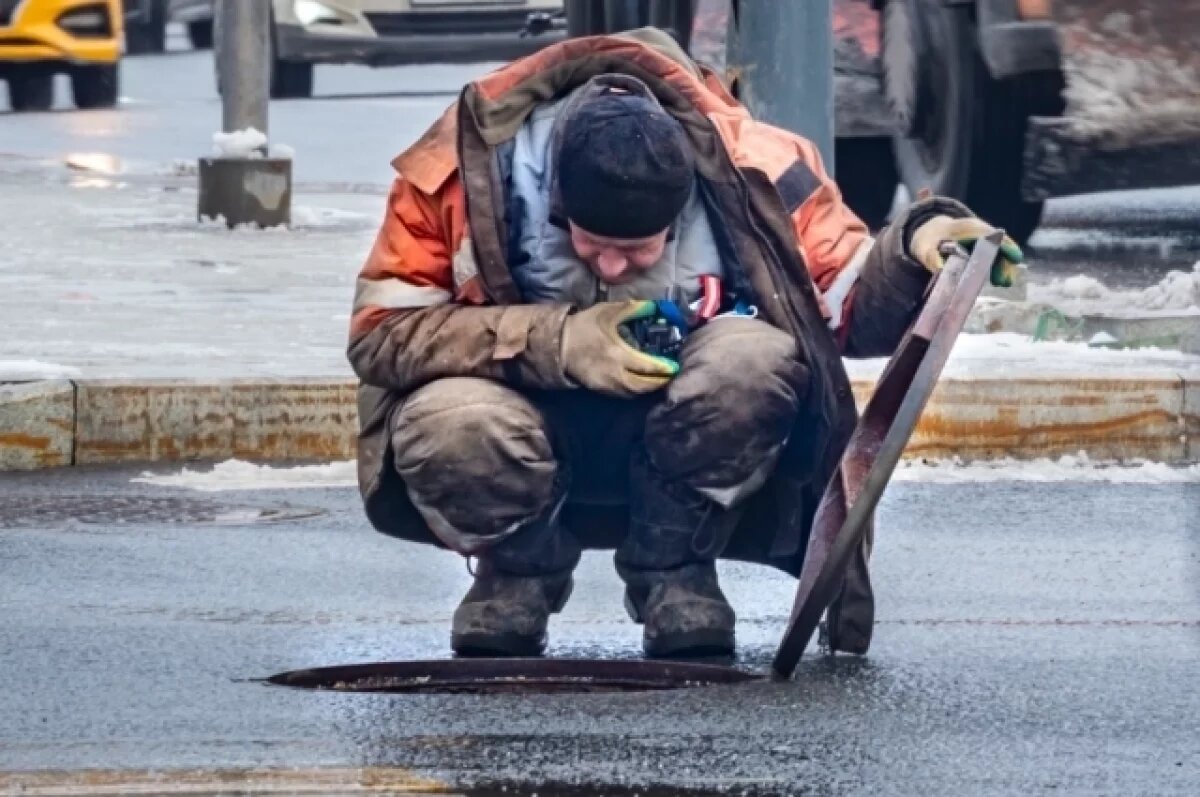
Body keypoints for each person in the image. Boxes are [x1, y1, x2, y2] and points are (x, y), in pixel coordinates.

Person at [347, 29, 1021, 659]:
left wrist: (915, 246)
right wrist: (560, 339)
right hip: (518, 419)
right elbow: (381, 335)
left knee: (754, 359)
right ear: (556, 200)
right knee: (450, 419)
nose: (611, 268)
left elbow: (847, 303)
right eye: (591, 244)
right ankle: (513, 580)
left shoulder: (759, 167)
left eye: (637, 249)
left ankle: (676, 575)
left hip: (683, 435)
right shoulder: (459, 170)